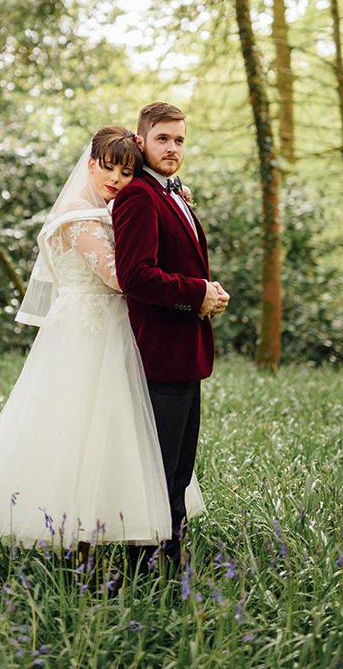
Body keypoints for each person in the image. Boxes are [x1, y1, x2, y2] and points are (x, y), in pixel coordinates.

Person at [0, 126, 198, 550]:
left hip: (117, 332)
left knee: (123, 431)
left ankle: (122, 525)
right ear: (90, 165)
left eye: (127, 173)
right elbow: (121, 277)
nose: (118, 181)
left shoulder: (107, 209)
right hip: (88, 332)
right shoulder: (77, 217)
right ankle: (73, 527)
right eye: (109, 170)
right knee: (77, 426)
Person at [112, 102, 230, 567]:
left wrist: (208, 292)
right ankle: (147, 565)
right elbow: (136, 275)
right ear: (141, 142)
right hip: (160, 352)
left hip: (185, 350)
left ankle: (171, 556)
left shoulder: (171, 192)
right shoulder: (138, 195)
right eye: (163, 138)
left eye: (179, 139)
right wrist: (195, 293)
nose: (173, 148)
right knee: (159, 469)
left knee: (179, 468)